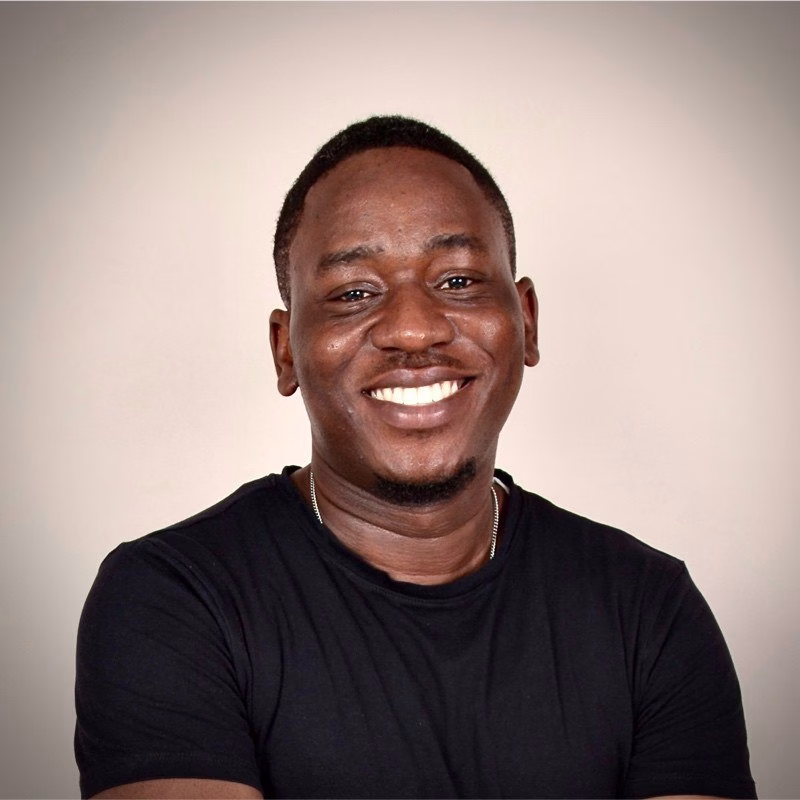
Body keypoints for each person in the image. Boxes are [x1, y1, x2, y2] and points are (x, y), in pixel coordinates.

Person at [75, 116, 756, 799]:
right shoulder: (175, 599)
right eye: (353, 293)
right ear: (285, 351)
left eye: (457, 281)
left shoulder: (648, 609)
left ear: (526, 320)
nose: (412, 329)